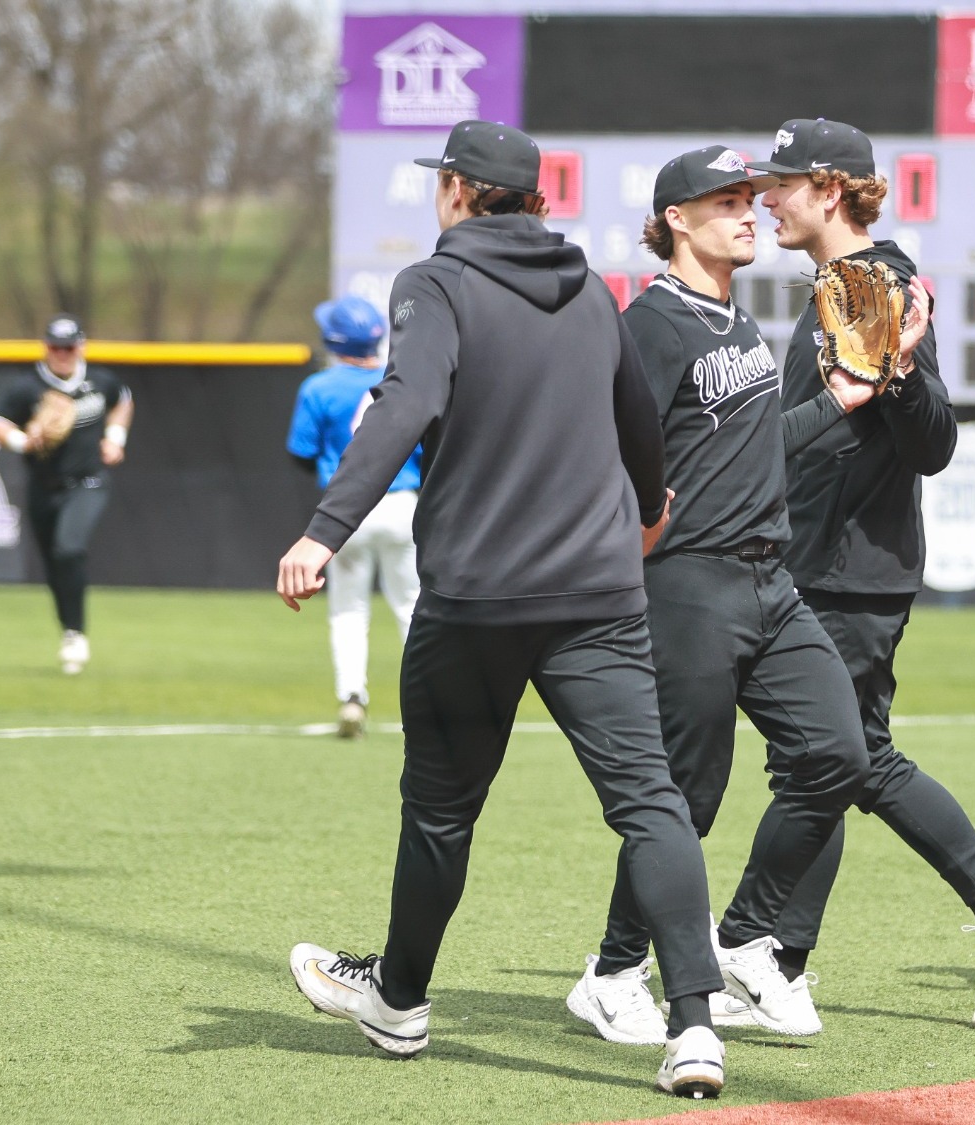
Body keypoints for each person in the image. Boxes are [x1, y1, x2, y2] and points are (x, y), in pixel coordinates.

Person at [275, 121, 729, 1098]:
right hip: (598, 593)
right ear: (528, 199)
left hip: (478, 597)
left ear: (458, 193)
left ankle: (398, 1007)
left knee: (441, 814)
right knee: (650, 805)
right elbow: (637, 422)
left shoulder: (435, 283)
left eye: (440, 180)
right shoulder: (594, 292)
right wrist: (648, 509)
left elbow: (403, 405)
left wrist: (325, 529)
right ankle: (692, 1028)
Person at [750, 118, 975, 1030]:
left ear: (833, 188)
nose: (769, 196)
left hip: (852, 567)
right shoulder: (839, 280)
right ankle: (786, 959)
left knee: (836, 759)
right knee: (827, 761)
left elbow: (933, 443)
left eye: (784, 182)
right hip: (829, 558)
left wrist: (895, 374)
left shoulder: (874, 280)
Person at [571, 144, 868, 1045]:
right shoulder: (651, 325)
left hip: (769, 583)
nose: (749, 211)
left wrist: (841, 400)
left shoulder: (740, 325)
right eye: (725, 200)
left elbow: (753, 448)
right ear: (675, 220)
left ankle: (742, 937)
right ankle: (616, 969)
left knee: (838, 754)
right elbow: (606, 447)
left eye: (749, 196)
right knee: (684, 801)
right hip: (688, 584)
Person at [286, 295, 420, 739]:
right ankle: (426, 702)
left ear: (332, 338)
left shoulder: (319, 387)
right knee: (412, 607)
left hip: (347, 512)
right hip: (403, 503)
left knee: (349, 609)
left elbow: (301, 453)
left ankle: (352, 698)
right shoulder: (402, 378)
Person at [0, 315, 133, 675]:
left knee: (70, 549)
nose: (63, 354)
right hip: (44, 488)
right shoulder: (28, 387)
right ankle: (71, 630)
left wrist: (115, 439)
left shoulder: (100, 381)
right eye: (56, 346)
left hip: (88, 481)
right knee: (54, 566)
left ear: (80, 346)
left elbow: (123, 401)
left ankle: (76, 634)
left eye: (69, 346)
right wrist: (23, 441)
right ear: (46, 347)